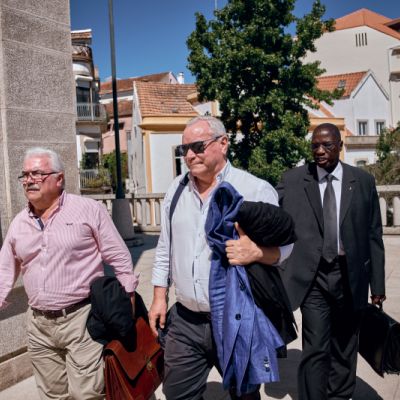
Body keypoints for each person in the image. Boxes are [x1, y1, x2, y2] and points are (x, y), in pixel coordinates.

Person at [148, 116, 293, 400]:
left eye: (198, 146)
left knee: (243, 394)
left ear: (223, 143)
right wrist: (158, 297)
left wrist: (257, 253)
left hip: (235, 319)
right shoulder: (176, 190)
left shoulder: (254, 188)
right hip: (186, 320)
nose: (190, 155)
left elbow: (287, 247)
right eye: (184, 149)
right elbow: (165, 246)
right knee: (177, 393)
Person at [0, 147, 138, 400]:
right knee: (52, 395)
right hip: (39, 324)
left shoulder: (88, 210)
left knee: (87, 393)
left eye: (37, 173)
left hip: (81, 318)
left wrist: (128, 296)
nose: (29, 180)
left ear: (59, 178)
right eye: (25, 175)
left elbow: (118, 256)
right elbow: (5, 267)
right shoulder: (19, 223)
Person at [276, 123, 386, 400]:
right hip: (313, 277)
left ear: (340, 146)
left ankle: (339, 395)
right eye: (315, 145)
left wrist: (378, 285)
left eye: (327, 145)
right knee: (315, 347)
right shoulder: (293, 180)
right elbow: (276, 223)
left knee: (345, 345)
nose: (320, 150)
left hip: (350, 275)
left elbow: (373, 235)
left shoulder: (362, 181)